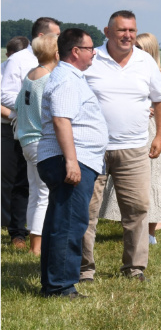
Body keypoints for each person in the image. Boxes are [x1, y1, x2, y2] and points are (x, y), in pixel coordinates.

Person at [80, 11, 161, 282]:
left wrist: (159, 138)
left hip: (134, 148)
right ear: (107, 32)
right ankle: (84, 268)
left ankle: (135, 268)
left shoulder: (145, 62)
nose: (127, 36)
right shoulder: (91, 59)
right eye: (121, 30)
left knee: (138, 209)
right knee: (86, 211)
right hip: (91, 149)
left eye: (132, 30)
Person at [38, 28, 107, 298]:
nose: (94, 53)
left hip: (72, 158)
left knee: (60, 222)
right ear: (76, 51)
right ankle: (61, 286)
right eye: (90, 49)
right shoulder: (67, 79)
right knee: (69, 224)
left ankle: (54, 283)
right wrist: (72, 161)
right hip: (69, 159)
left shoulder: (70, 77)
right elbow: (61, 120)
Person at [97, 32, 161, 246]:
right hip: (132, 131)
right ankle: (133, 225)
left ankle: (151, 229)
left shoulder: (153, 70)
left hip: (149, 130)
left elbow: (160, 101)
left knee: (154, 178)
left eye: (140, 47)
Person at [2, 17, 60, 250]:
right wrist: (25, 113)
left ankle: (31, 235)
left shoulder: (38, 69)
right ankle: (24, 235)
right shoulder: (22, 62)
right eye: (56, 35)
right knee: (27, 186)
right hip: (25, 130)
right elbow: (6, 96)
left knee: (34, 188)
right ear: (42, 38)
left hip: (29, 133)